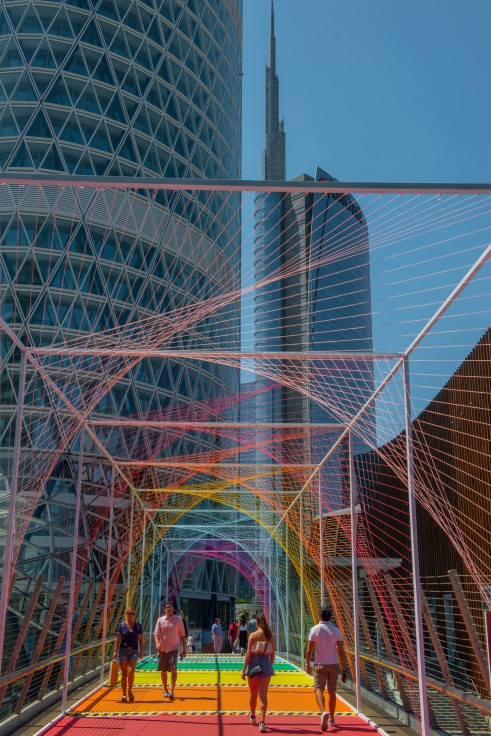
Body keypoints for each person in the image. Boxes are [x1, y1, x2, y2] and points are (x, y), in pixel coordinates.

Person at [305, 607, 347, 732]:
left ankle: (323, 712)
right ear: (331, 617)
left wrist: (307, 664)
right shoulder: (336, 631)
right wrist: (344, 670)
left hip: (320, 664)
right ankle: (332, 719)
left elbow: (309, 650)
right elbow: (341, 651)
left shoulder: (315, 629)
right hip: (333, 664)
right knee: (332, 691)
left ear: (320, 616)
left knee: (318, 688)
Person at [241, 612, 275, 733]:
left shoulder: (253, 635)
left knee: (253, 693)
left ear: (257, 623)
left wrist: (244, 669)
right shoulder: (270, 636)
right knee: (263, 696)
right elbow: (272, 655)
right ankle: (263, 722)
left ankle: (253, 716)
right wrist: (268, 666)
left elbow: (248, 654)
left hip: (253, 665)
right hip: (265, 664)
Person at [154, 601, 187, 701]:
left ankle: (172, 691)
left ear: (173, 609)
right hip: (163, 649)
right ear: (165, 609)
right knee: (163, 671)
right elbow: (156, 633)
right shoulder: (160, 620)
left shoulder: (178, 620)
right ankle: (165, 690)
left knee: (173, 669)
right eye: (167, 607)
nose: (169, 609)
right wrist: (157, 644)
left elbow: (182, 635)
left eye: (170, 607)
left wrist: (184, 649)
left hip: (174, 649)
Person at [113, 606, 143, 703]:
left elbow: (140, 639)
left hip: (134, 651)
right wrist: (115, 651)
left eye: (132, 614)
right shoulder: (121, 625)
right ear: (126, 614)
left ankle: (129, 691)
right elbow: (118, 640)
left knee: (131, 671)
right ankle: (124, 694)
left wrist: (141, 651)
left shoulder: (137, 625)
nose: (131, 615)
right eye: (129, 613)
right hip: (123, 651)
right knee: (124, 673)